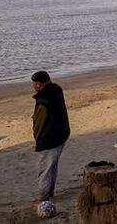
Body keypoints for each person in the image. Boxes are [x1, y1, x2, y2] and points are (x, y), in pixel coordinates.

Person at [31, 70, 70, 204]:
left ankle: (44, 196)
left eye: (34, 83)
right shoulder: (56, 89)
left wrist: (38, 138)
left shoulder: (43, 98)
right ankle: (49, 191)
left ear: (39, 84)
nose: (33, 86)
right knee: (52, 165)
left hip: (50, 137)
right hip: (62, 133)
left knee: (44, 168)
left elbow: (39, 122)